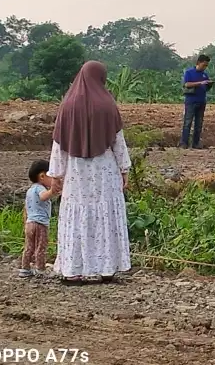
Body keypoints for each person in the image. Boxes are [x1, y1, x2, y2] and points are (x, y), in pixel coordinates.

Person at [48, 60, 132, 285]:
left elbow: (59, 144)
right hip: (105, 171)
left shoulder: (67, 105)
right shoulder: (107, 104)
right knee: (105, 217)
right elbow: (118, 142)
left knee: (77, 218)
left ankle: (72, 271)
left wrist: (56, 174)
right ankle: (107, 269)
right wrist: (124, 169)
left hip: (76, 173)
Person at [18, 159, 61, 278]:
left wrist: (25, 221)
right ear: (42, 176)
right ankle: (40, 268)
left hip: (30, 223)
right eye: (51, 176)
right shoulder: (40, 188)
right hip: (40, 223)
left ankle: (25, 268)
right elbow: (43, 197)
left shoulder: (30, 190)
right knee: (41, 246)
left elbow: (26, 208)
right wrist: (52, 190)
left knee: (29, 246)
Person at [180, 54, 212, 149]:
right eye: (204, 65)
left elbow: (205, 88)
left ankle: (196, 143)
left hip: (201, 100)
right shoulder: (189, 72)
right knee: (187, 122)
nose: (205, 67)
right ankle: (184, 143)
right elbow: (187, 84)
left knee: (199, 124)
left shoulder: (204, 74)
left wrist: (208, 84)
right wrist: (200, 83)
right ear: (198, 63)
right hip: (191, 101)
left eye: (206, 65)